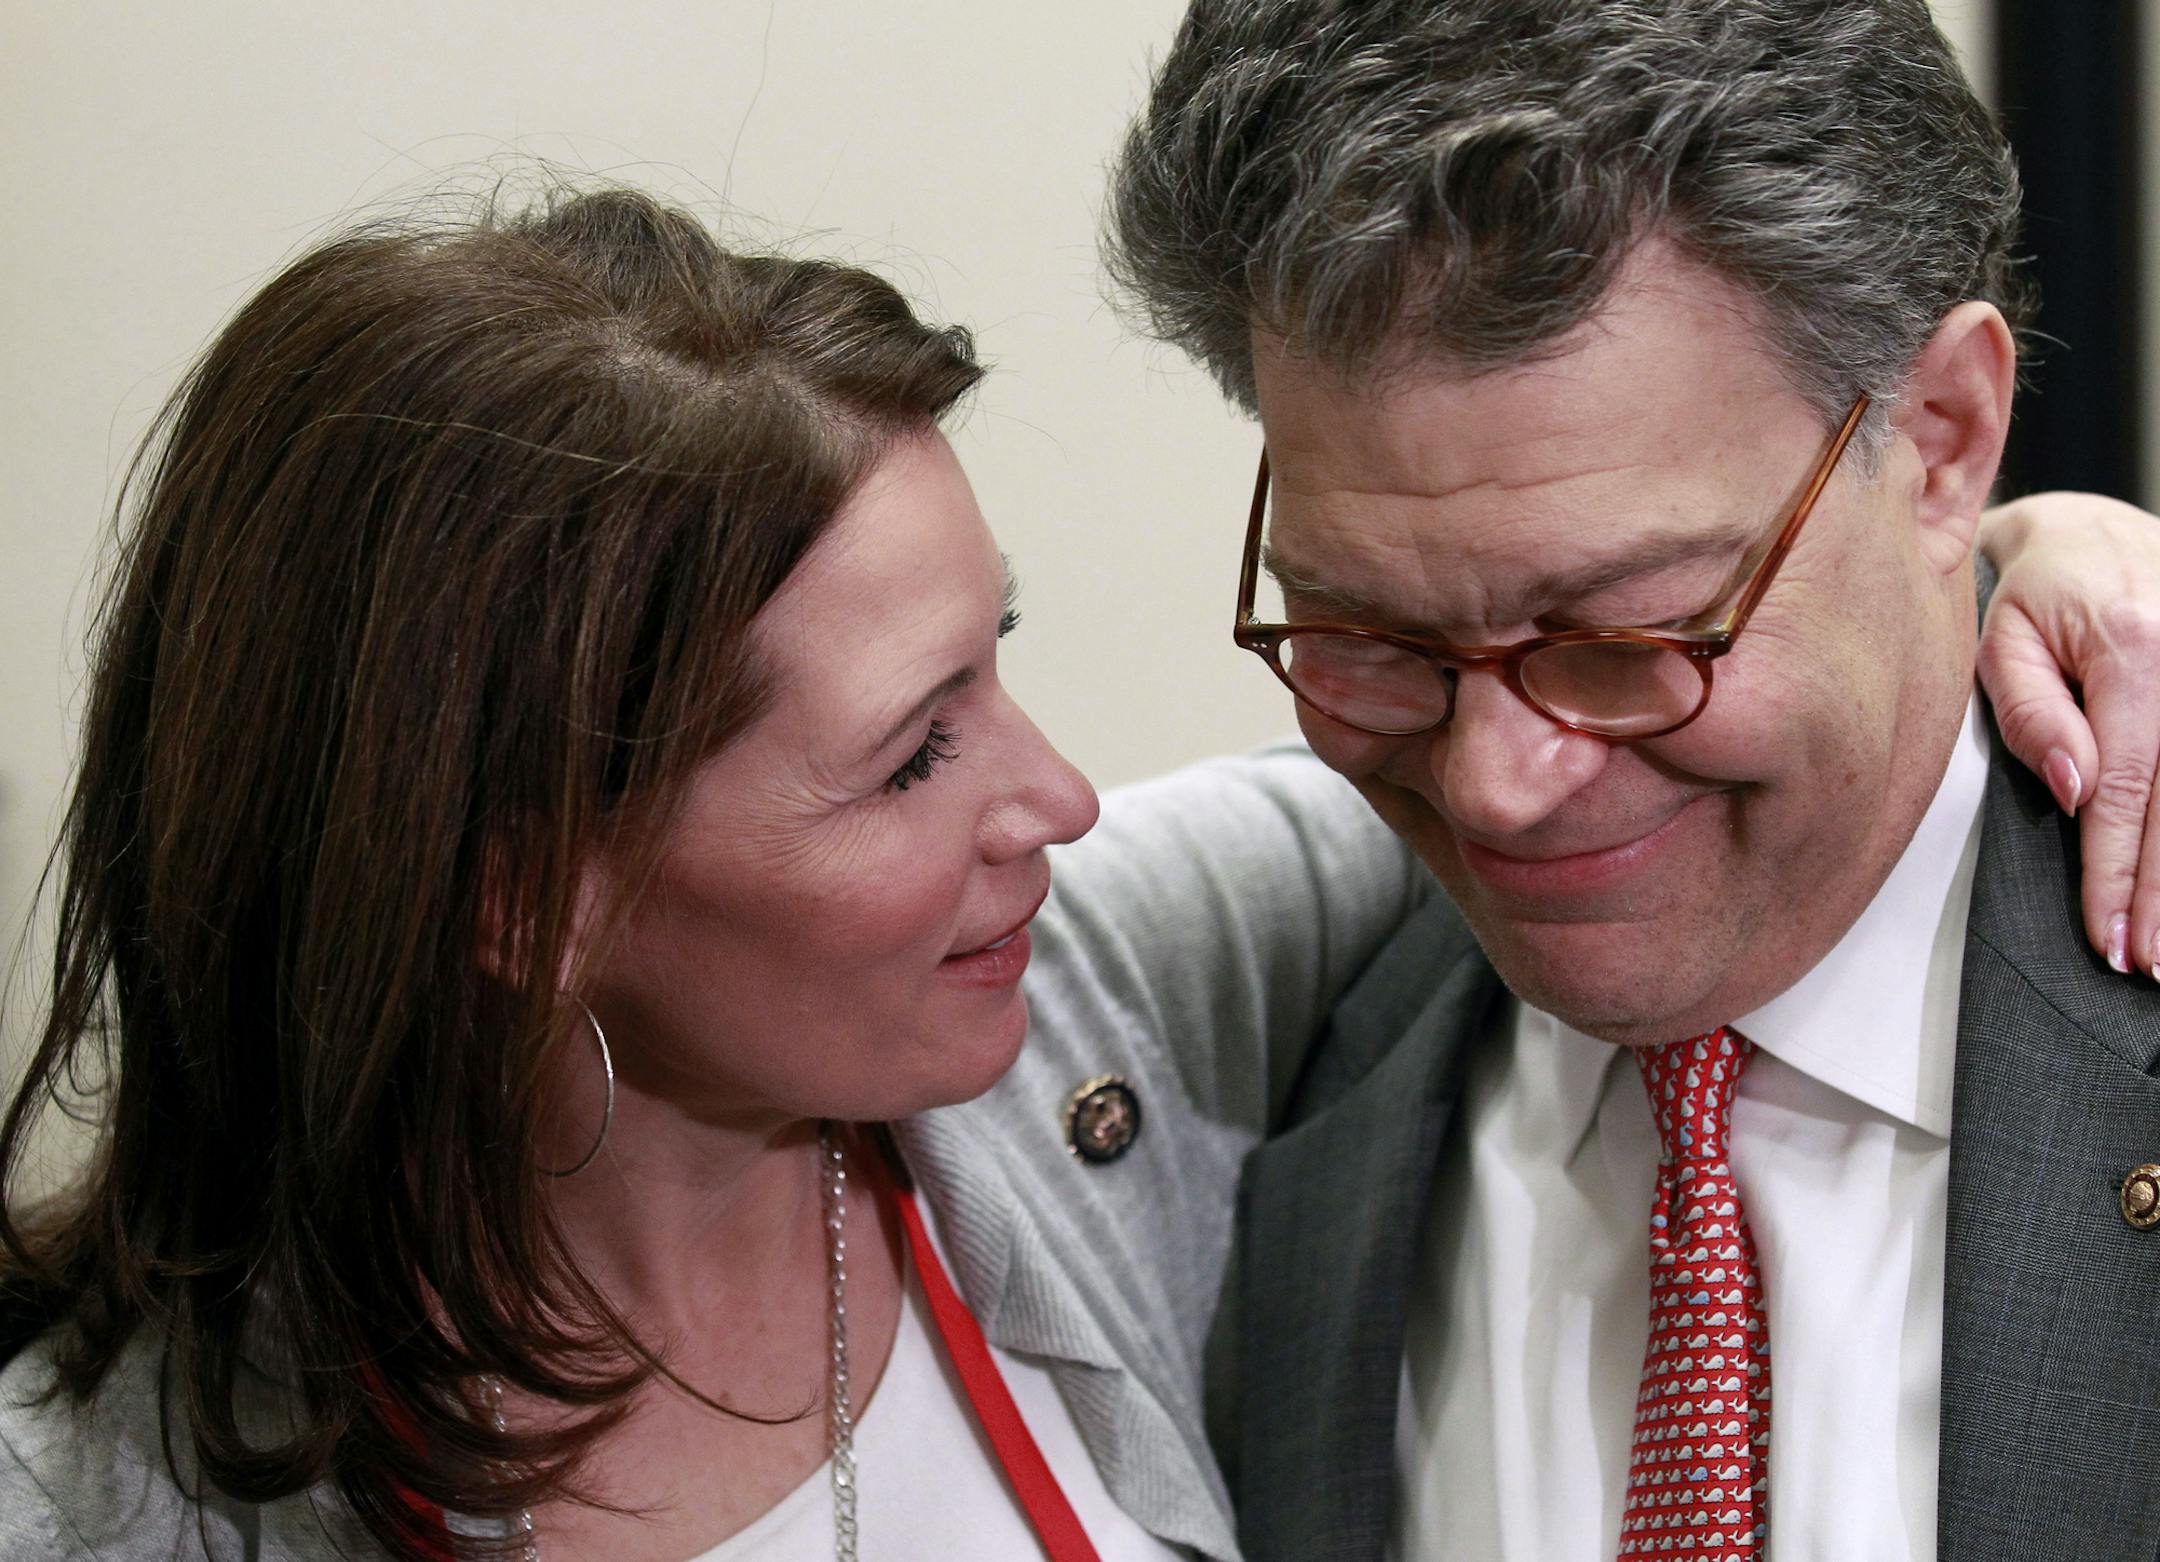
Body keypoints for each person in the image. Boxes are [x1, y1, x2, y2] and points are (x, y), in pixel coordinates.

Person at [0, 175, 2150, 1562]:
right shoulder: (93, 1494)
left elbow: (1586, 787)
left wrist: (1984, 548)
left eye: (995, 660)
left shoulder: (1115, 985)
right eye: (911, 753)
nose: (1053, 797)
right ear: (515, 895)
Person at [1103, 1, 2160, 1559]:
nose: (1497, 784)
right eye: (1367, 632)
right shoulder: (1269, 1085)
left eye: (1622, 632)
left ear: (1942, 441)